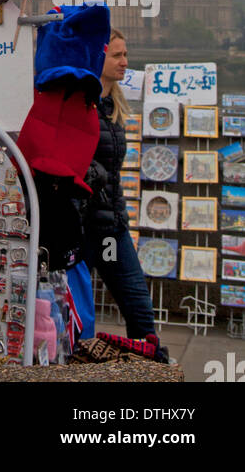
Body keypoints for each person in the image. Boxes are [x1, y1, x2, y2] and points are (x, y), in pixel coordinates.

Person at [82, 29, 159, 340]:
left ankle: (152, 365)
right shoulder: (79, 103)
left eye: (125, 55)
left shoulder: (113, 106)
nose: (125, 62)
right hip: (82, 229)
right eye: (117, 55)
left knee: (137, 303)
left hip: (111, 230)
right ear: (98, 57)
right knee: (77, 311)